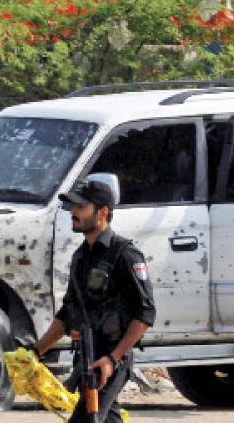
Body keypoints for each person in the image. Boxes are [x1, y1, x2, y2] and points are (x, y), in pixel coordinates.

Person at [35, 179, 155, 423]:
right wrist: (36, 352)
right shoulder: (81, 256)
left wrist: (113, 358)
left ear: (103, 212)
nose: (73, 213)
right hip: (86, 357)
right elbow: (68, 312)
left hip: (110, 359)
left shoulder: (125, 254)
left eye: (81, 207)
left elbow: (145, 314)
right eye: (73, 207)